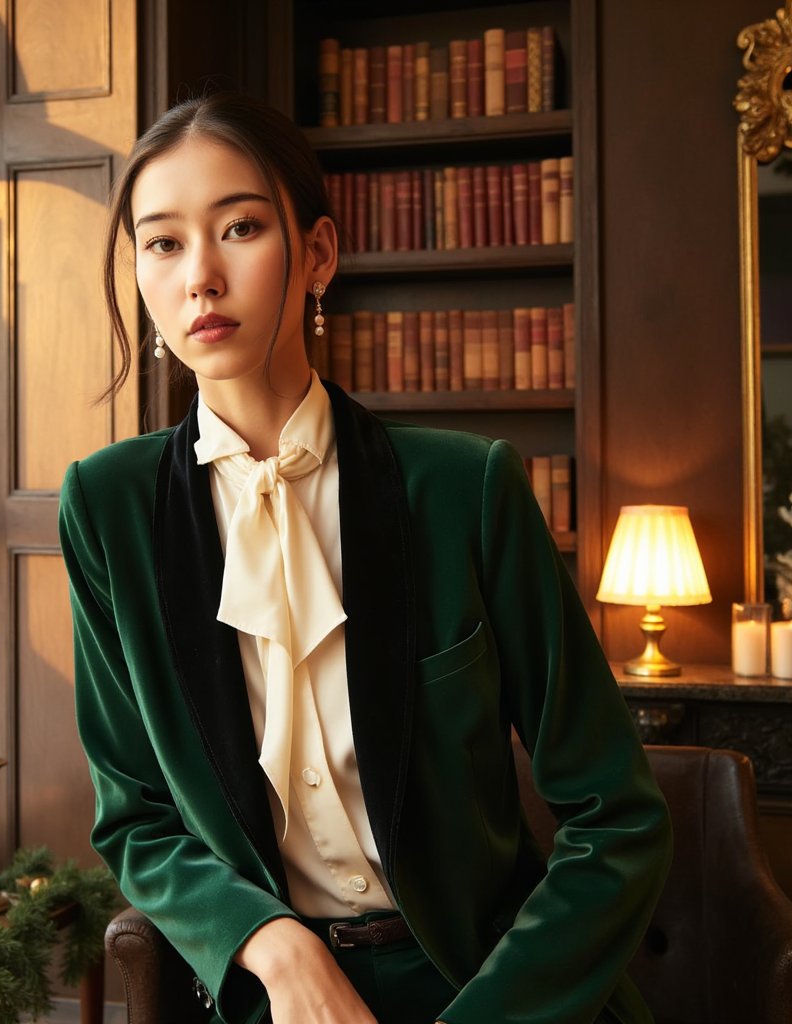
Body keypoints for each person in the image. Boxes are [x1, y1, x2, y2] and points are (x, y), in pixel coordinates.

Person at [59, 91, 672, 1024]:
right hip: (273, 993)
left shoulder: (467, 490)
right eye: (163, 242)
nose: (201, 278)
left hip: (488, 988)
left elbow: (617, 816)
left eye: (241, 227)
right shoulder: (105, 509)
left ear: (317, 256)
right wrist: (273, 944)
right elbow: (135, 815)